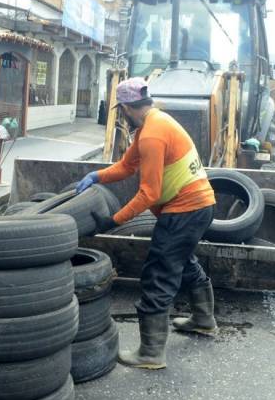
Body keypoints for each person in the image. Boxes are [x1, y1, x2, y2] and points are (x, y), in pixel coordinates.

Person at [75, 77, 217, 370]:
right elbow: (127, 166)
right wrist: (97, 176)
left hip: (184, 210)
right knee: (182, 261)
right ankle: (203, 320)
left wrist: (113, 220)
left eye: (122, 110)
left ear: (126, 108)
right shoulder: (154, 123)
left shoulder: (152, 134)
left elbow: (148, 193)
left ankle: (151, 353)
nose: (123, 115)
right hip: (198, 207)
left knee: (159, 274)